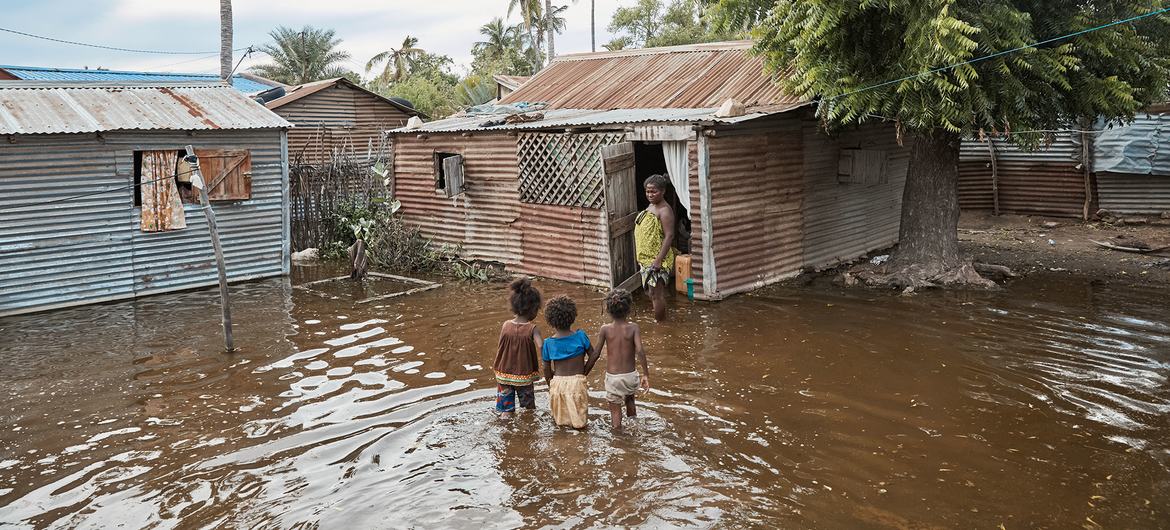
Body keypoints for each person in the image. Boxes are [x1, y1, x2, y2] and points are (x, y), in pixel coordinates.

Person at [596, 289, 650, 431]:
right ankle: (634, 428)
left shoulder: (605, 329)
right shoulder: (633, 328)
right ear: (629, 309)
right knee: (630, 400)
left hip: (613, 378)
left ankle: (619, 439)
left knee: (615, 411)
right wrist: (645, 374)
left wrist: (585, 370)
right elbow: (640, 351)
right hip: (630, 376)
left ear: (607, 309)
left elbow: (595, 353)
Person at [541, 295, 599, 429]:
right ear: (572, 316)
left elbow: (546, 368)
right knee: (580, 424)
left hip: (558, 384)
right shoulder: (580, 336)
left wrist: (551, 384)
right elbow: (593, 355)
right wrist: (584, 372)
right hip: (577, 383)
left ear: (551, 320)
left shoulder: (548, 343)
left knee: (560, 423)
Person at [492, 278, 543, 419]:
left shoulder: (505, 325)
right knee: (529, 410)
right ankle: (527, 434)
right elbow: (542, 347)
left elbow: (501, 348)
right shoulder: (533, 328)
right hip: (524, 376)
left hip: (503, 375)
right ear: (533, 309)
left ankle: (505, 432)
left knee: (506, 410)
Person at [635, 174, 677, 321]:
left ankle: (661, 327)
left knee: (656, 294)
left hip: (657, 259)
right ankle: (661, 318)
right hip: (647, 259)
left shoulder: (665, 210)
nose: (650, 195)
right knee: (651, 293)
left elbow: (669, 236)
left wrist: (659, 260)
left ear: (663, 191)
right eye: (647, 191)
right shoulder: (652, 206)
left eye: (654, 191)